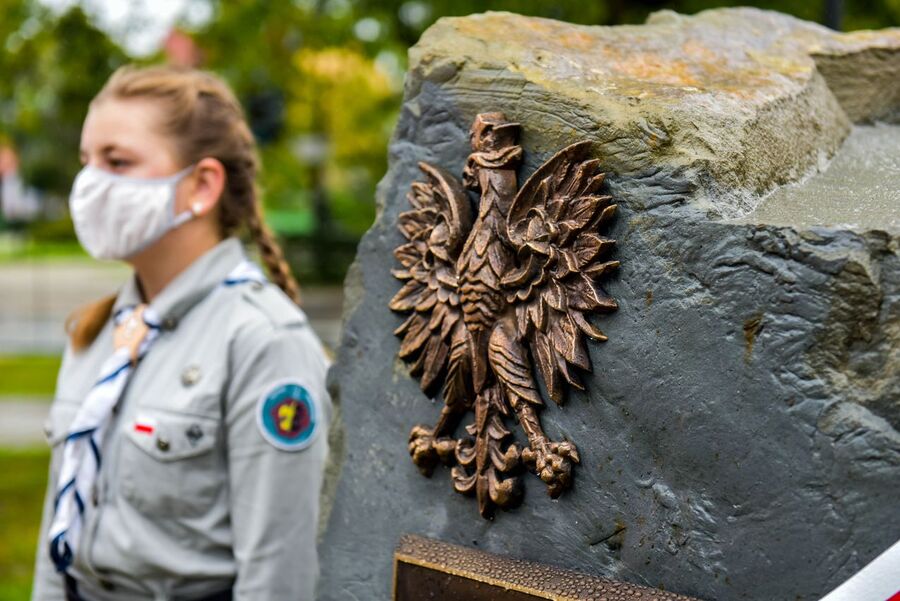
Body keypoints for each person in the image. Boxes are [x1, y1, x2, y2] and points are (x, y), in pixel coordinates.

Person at [30, 64, 332, 601]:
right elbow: (59, 541)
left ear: (202, 185)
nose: (89, 185)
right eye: (86, 161)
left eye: (117, 161)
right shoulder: (97, 331)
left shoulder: (264, 342)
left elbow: (277, 576)